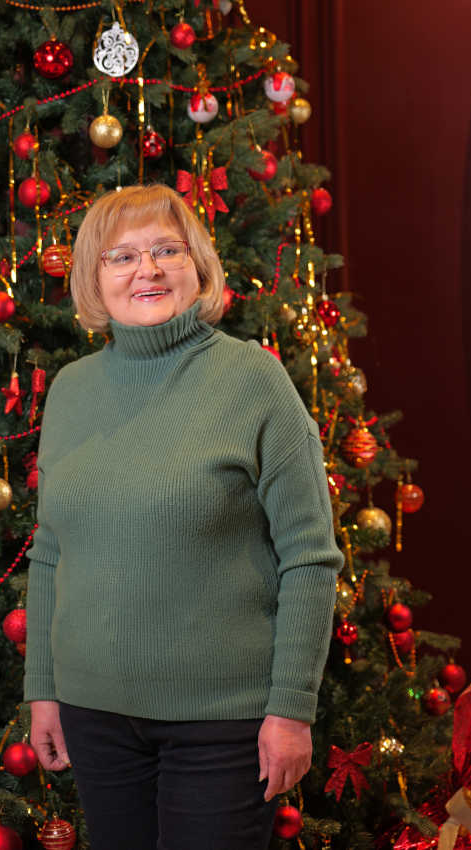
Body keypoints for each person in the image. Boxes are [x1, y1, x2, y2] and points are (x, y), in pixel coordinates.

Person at [24, 183, 344, 850]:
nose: (147, 270)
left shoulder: (254, 380)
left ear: (197, 265)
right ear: (93, 279)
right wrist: (45, 689)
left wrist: (291, 709)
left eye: (166, 250)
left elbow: (309, 557)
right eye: (121, 257)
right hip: (94, 716)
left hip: (223, 724)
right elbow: (52, 551)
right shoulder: (70, 390)